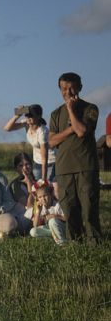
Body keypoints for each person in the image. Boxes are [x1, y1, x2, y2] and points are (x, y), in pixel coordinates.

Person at [49, 72, 101, 244]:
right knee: (70, 212)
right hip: (64, 169)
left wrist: (71, 109)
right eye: (64, 88)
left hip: (86, 167)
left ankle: (94, 246)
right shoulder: (56, 114)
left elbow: (81, 131)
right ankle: (75, 247)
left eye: (71, 87)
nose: (68, 92)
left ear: (80, 88)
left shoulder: (90, 109)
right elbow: (51, 141)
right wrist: (69, 130)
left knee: (89, 211)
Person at [3, 103, 56, 185]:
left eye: (31, 115)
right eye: (27, 115)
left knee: (48, 186)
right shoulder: (26, 124)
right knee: (36, 186)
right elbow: (7, 128)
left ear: (38, 116)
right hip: (37, 161)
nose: (28, 117)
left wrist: (44, 180)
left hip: (50, 161)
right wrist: (17, 115)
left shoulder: (42, 131)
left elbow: (44, 157)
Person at [7, 152, 35, 232]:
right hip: (22, 216)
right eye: (21, 165)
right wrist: (29, 184)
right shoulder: (15, 185)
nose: (25, 168)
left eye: (27, 164)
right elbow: (29, 205)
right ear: (16, 169)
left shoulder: (37, 181)